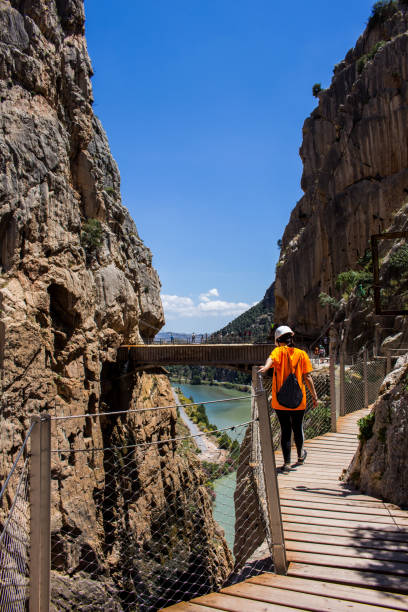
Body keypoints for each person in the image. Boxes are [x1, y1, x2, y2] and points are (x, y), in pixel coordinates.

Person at [258, 325, 318, 473]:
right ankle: (300, 456)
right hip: (299, 399)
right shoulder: (301, 354)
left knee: (285, 430)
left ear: (278, 340)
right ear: (291, 338)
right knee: (297, 427)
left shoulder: (278, 351)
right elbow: (307, 377)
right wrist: (314, 396)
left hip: (279, 400)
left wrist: (265, 369)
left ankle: (286, 464)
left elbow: (271, 360)